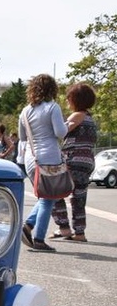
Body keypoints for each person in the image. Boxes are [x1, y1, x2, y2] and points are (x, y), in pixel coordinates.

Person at [19, 74, 67, 252]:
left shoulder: (25, 111)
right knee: (49, 199)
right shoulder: (52, 107)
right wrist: (68, 124)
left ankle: (29, 225)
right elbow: (60, 132)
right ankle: (39, 239)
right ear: (52, 89)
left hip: (31, 159)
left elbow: (23, 137)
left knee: (45, 197)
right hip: (49, 157)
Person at [50, 82, 98, 242]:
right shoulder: (90, 118)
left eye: (69, 98)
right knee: (79, 197)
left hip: (73, 160)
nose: (67, 101)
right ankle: (80, 233)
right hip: (87, 162)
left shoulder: (77, 116)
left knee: (54, 191)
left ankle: (63, 227)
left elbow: (60, 131)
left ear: (76, 99)